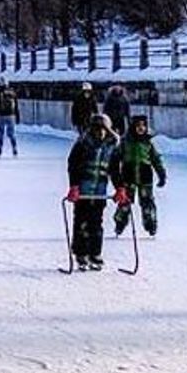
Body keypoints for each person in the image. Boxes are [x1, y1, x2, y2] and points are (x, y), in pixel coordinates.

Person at [66, 114, 123, 271]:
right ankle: (80, 253)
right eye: (96, 129)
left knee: (96, 223)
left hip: (99, 190)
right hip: (83, 189)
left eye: (103, 129)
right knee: (82, 222)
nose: (100, 132)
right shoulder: (82, 143)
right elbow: (73, 165)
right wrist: (74, 186)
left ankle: (95, 253)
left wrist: (120, 187)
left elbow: (114, 170)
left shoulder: (112, 145)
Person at [112, 115, 168, 237]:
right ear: (133, 127)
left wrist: (162, 174)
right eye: (138, 126)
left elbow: (156, 160)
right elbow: (115, 158)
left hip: (145, 176)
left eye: (143, 125)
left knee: (147, 202)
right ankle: (119, 223)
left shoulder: (148, 143)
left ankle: (151, 224)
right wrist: (114, 173)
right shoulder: (125, 142)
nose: (141, 128)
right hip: (128, 176)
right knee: (125, 203)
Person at [0, 84, 21, 156]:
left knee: (1, 133)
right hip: (11, 115)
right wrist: (17, 116)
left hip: (2, 115)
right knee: (11, 134)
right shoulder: (12, 93)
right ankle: (14, 148)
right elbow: (16, 106)